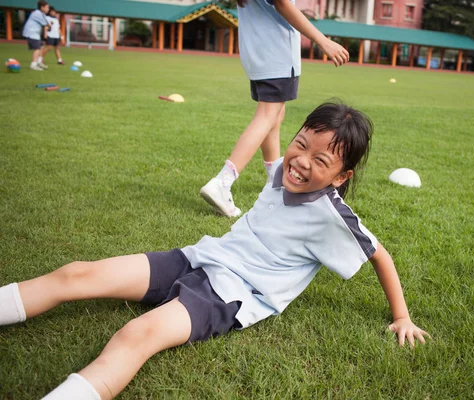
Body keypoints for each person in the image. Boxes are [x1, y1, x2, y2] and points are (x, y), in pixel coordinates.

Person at [0, 102, 429, 400]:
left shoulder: (333, 216)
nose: (301, 162)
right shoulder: (284, 166)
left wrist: (402, 317)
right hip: (202, 256)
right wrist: (273, 111)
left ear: (341, 177)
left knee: (137, 335)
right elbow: (276, 149)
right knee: (77, 273)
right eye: (302, 144)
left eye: (322, 161)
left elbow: (380, 255)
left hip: (231, 293)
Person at [200, 0, 351, 217]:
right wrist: (322, 40)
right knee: (267, 115)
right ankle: (223, 182)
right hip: (276, 53)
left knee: (275, 115)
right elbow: (282, 4)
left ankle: (275, 179)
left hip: (258, 54)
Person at [22, 0, 50, 71]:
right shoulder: (38, 13)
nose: (48, 9)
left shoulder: (41, 14)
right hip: (31, 33)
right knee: (37, 48)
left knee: (41, 46)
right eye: (47, 7)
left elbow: (47, 25)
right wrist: (50, 26)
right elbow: (46, 24)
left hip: (35, 34)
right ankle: (33, 65)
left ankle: (39, 62)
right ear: (42, 7)